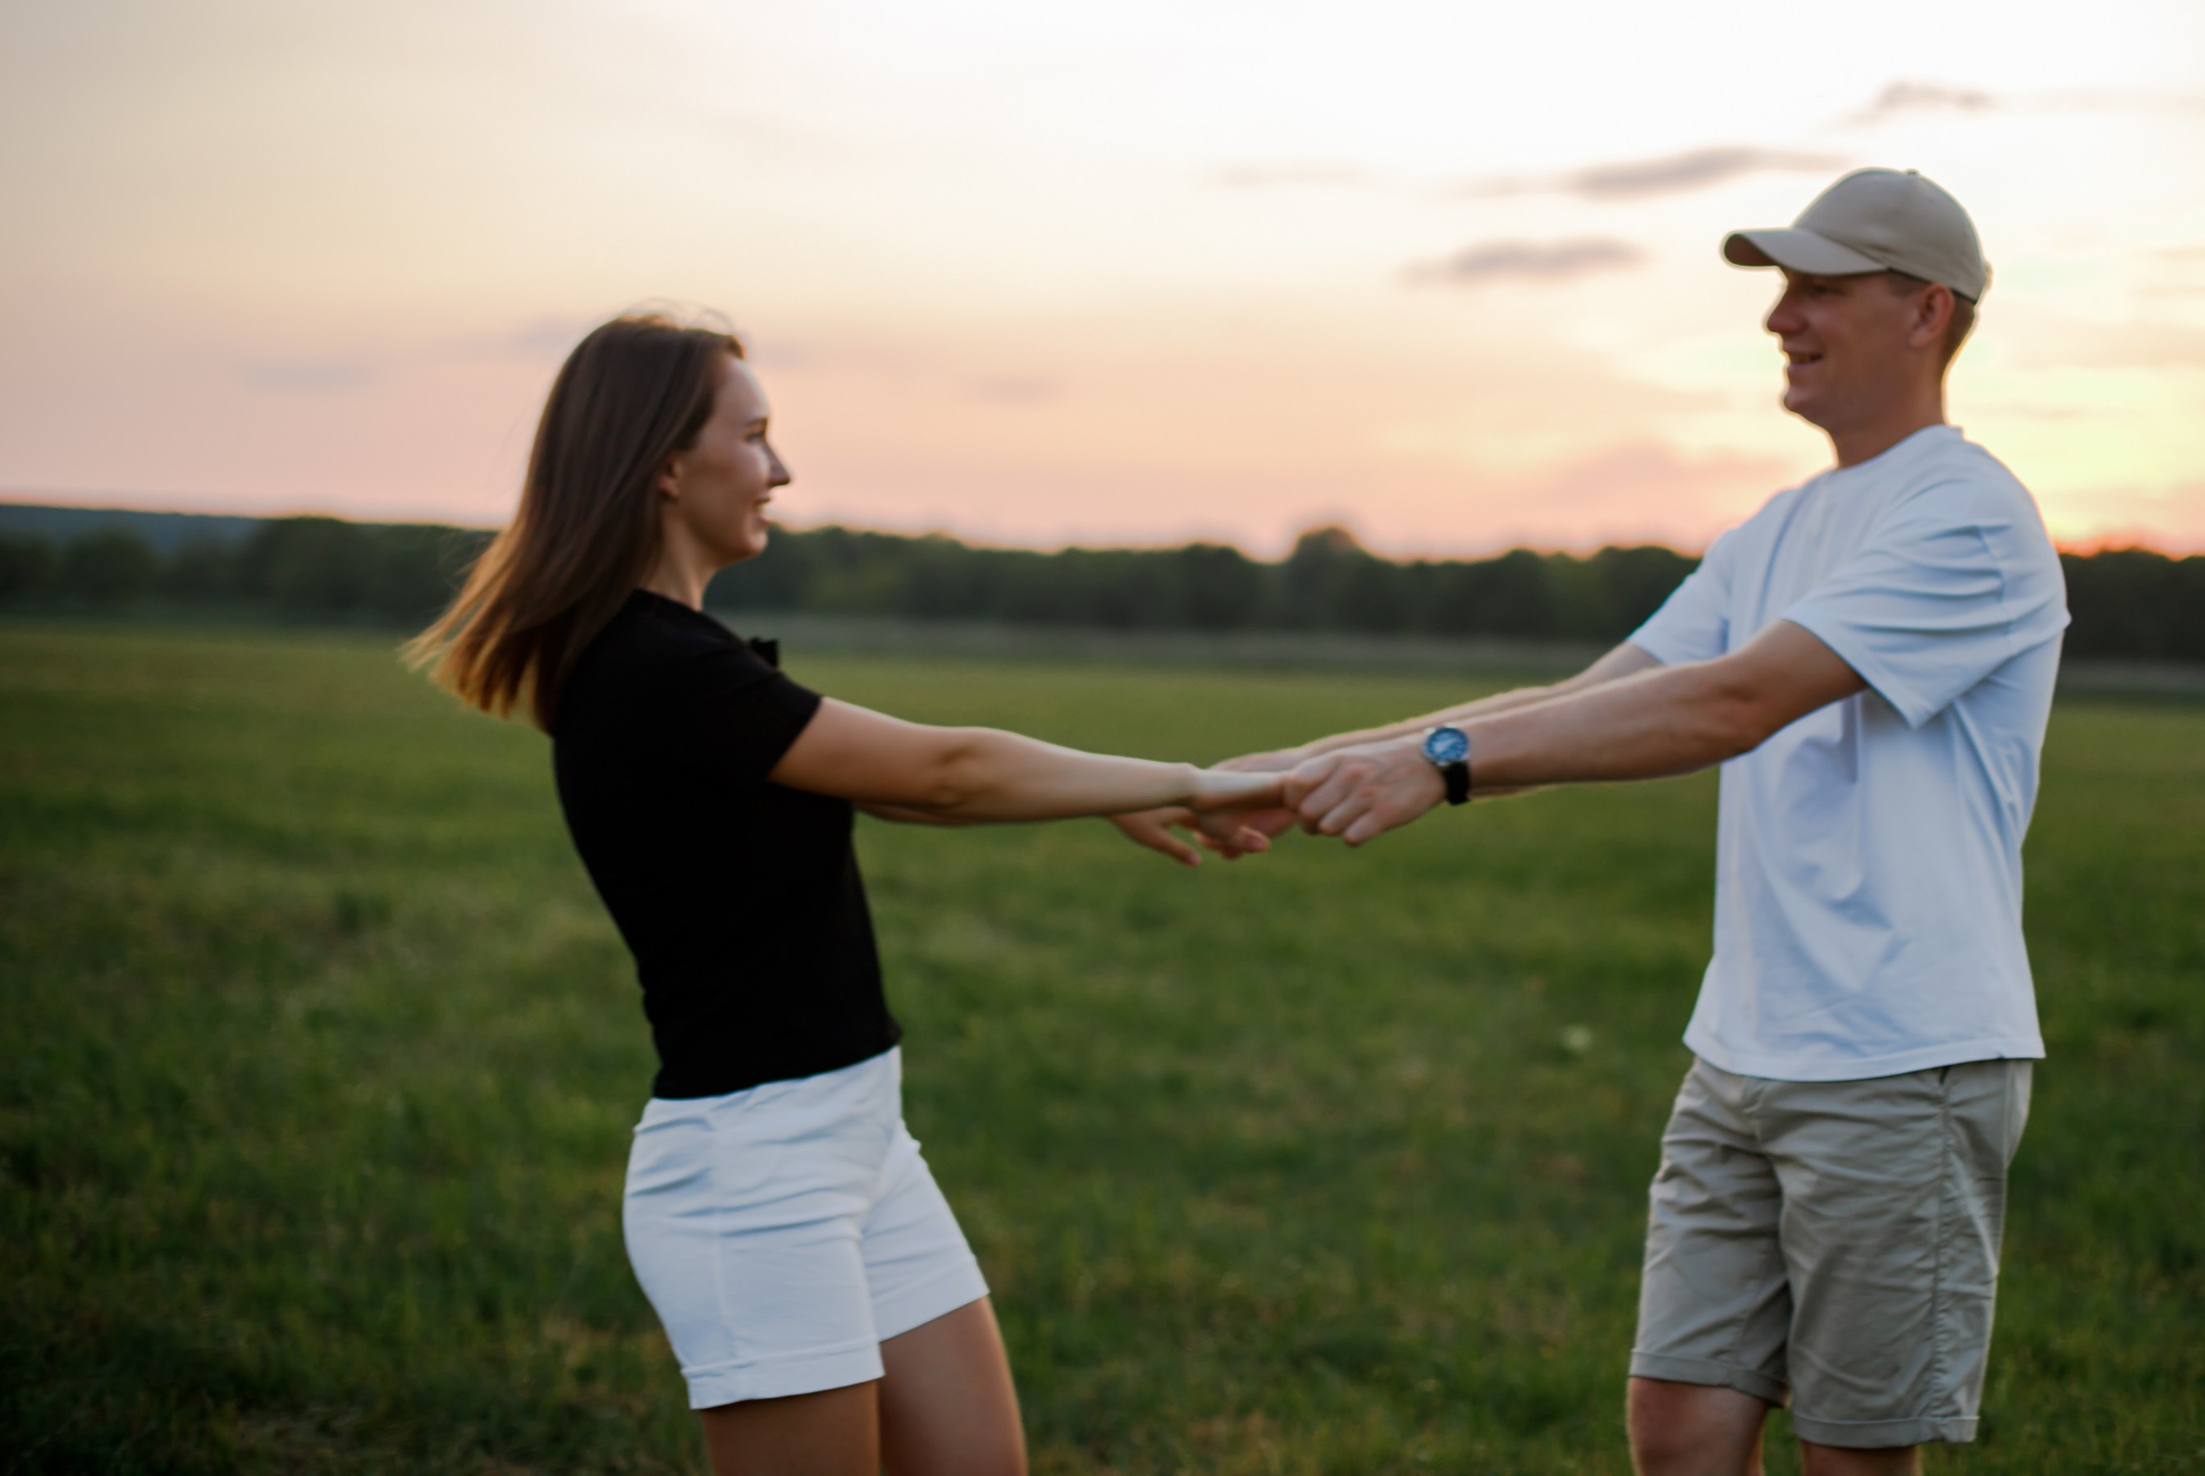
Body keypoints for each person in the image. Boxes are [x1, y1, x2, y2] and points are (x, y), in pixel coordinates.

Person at [1208, 170, 2068, 1475]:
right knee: (1678, 1421)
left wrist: (1435, 764)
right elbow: (1592, 699)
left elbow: (1734, 701)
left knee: (1851, 1452)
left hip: (1902, 1057)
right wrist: (1304, 764)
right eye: (1782, 287)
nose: (1783, 315)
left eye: (1822, 288)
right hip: (1741, 1046)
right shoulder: (1775, 529)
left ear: (1927, 312)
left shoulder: (1969, 513)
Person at [408, 313, 1281, 1476]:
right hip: (751, 1172)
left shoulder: (680, 658)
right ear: (669, 465)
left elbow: (909, 791)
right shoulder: (654, 669)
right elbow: (942, 771)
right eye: (756, 436)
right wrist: (1187, 779)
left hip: (857, 1141)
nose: (780, 470)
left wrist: (1093, 791)